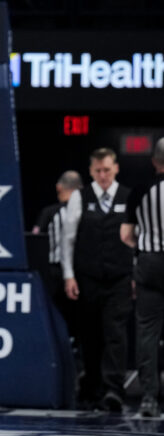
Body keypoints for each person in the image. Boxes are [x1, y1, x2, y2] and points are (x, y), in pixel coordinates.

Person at [62, 148, 133, 412]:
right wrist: (69, 274)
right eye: (98, 171)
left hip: (119, 277)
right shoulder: (80, 197)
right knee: (90, 334)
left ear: (115, 168)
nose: (103, 175)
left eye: (107, 170)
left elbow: (136, 240)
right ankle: (91, 386)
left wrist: (135, 274)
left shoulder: (128, 196)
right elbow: (68, 239)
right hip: (88, 276)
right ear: (91, 171)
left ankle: (114, 390)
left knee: (116, 333)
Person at [120, 137, 164, 417]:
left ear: (154, 161)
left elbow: (125, 235)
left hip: (149, 262)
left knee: (147, 331)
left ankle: (149, 398)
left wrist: (146, 245)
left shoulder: (139, 190)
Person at [31, 170, 82, 338]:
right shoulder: (85, 212)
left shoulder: (49, 213)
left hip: (53, 273)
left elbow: (35, 239)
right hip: (80, 272)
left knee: (53, 314)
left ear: (59, 187)